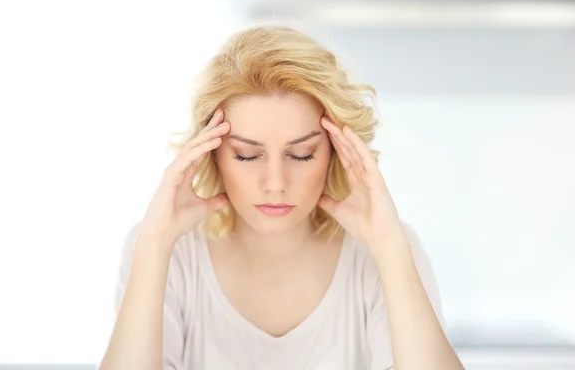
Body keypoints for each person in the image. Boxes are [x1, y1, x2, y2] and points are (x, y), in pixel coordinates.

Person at [98, 25, 464, 370]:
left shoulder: (386, 249)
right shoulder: (167, 251)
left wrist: (390, 250)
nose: (275, 183)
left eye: (301, 154)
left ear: (336, 151)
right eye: (246, 154)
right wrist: (154, 244)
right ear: (211, 153)